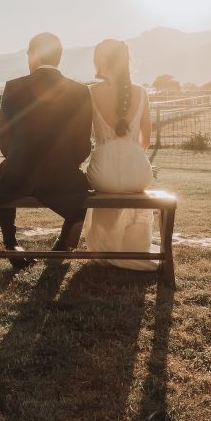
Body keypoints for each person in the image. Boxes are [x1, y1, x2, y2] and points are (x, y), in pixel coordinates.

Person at [0, 32, 93, 269]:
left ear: (34, 54)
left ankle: (11, 243)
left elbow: (4, 139)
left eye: (28, 54)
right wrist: (64, 163)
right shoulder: (80, 91)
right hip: (62, 174)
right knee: (83, 189)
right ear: (59, 57)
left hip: (16, 172)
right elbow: (83, 143)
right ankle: (64, 243)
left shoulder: (13, 87)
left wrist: (20, 159)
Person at [83, 38, 159, 270]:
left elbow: (84, 136)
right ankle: (132, 242)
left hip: (102, 172)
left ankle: (108, 244)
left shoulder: (90, 92)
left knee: (109, 185)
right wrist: (132, 158)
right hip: (138, 172)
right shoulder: (141, 92)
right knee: (129, 185)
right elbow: (146, 138)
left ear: (102, 60)